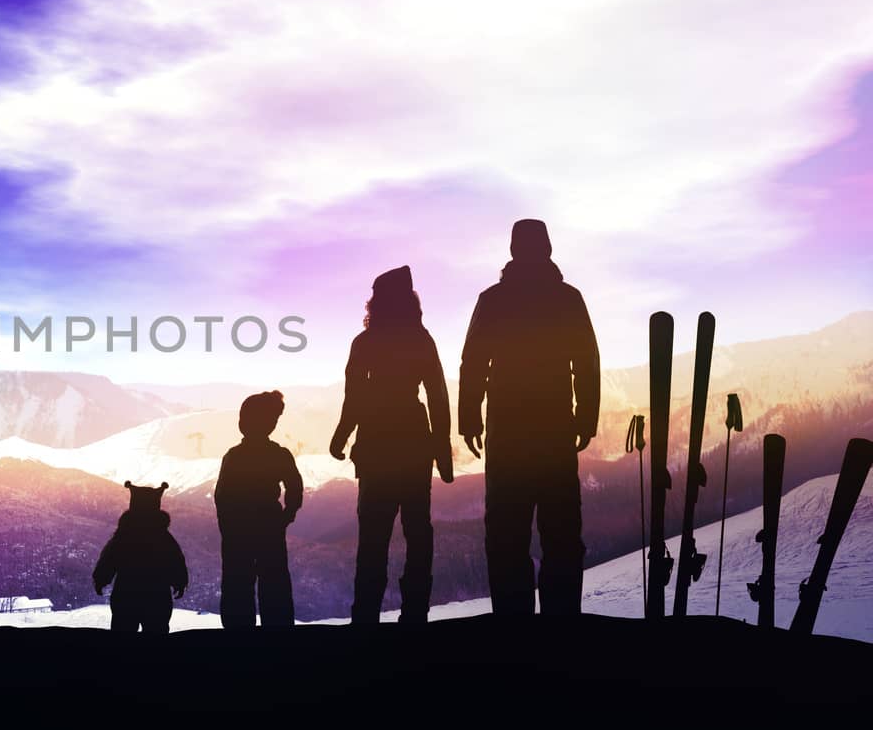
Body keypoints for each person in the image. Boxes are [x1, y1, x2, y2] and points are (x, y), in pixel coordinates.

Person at [459, 219, 600, 615]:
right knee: (561, 532)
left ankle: (512, 621)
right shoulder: (568, 298)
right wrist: (586, 415)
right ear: (548, 249)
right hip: (554, 429)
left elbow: (472, 363)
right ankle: (562, 619)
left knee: (506, 533)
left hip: (508, 431)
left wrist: (470, 417)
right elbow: (586, 362)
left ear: (513, 250)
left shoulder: (493, 299)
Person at [329, 266, 453, 624]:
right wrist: (441, 450)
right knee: (418, 531)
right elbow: (437, 396)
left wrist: (342, 435)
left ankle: (365, 616)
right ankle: (416, 612)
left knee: (372, 537)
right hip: (415, 442)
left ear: (377, 303)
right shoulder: (422, 339)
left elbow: (354, 397)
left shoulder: (365, 342)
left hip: (376, 443)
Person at [214, 390, 303, 628]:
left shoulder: (233, 456)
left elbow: (221, 496)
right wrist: (287, 514)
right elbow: (294, 486)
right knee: (274, 580)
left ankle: (238, 631)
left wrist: (227, 526)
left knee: (237, 581)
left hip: (238, 530)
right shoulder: (279, 454)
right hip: (270, 526)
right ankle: (278, 629)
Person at [93, 481, 188, 633]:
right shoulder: (164, 537)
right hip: (158, 596)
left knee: (122, 634)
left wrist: (101, 579)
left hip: (126, 594)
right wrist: (179, 582)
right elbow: (176, 560)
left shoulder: (123, 536)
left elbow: (109, 558)